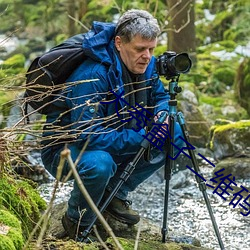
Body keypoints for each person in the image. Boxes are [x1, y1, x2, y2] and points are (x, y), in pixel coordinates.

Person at [41, 9, 184, 241]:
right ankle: (76, 221)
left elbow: (160, 97)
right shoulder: (93, 75)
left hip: (115, 135)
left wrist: (162, 115)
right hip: (66, 150)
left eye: (151, 49)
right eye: (140, 49)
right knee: (100, 164)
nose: (147, 56)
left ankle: (115, 193)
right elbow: (87, 135)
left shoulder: (145, 65)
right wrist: (142, 137)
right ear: (119, 43)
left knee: (175, 132)